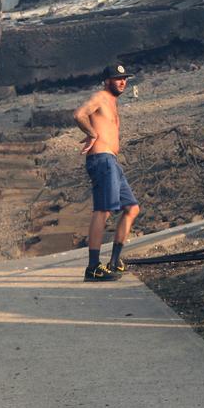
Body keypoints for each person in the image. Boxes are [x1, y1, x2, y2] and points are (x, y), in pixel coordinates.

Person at [73, 64, 140, 282]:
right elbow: (79, 114)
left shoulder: (112, 102)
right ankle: (93, 267)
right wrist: (92, 133)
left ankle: (114, 262)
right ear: (106, 80)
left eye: (124, 78)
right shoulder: (100, 97)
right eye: (117, 78)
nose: (122, 82)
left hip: (111, 161)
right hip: (101, 160)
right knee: (103, 211)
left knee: (132, 208)